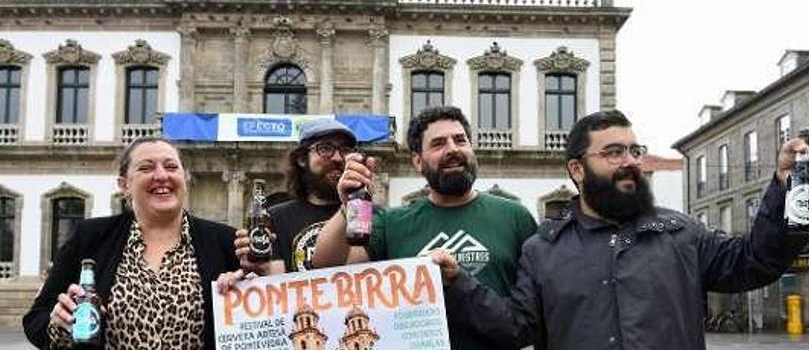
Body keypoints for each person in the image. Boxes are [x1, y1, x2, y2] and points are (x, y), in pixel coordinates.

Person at [435, 109, 809, 350]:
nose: (630, 161)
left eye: (634, 150)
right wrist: (457, 284)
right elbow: (513, 327)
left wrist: (791, 184)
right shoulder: (542, 250)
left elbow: (757, 260)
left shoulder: (681, 233)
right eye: (613, 153)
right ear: (578, 169)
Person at [312, 105, 538, 350]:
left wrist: (457, 280)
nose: (452, 149)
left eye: (460, 140)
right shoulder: (391, 223)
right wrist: (347, 207)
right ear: (418, 162)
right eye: (439, 143)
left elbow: (530, 319)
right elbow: (328, 268)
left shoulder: (515, 216)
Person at [23, 137, 239, 350]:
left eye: (172, 166)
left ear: (185, 178)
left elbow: (256, 325)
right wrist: (58, 324)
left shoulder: (225, 241)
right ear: (124, 185)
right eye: (146, 168)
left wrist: (253, 281)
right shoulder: (90, 238)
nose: (162, 175)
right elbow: (35, 320)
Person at [236, 118, 359, 275]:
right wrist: (255, 271)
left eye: (346, 150)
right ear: (302, 159)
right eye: (325, 148)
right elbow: (276, 277)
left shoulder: (369, 216)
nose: (337, 158)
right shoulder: (275, 218)